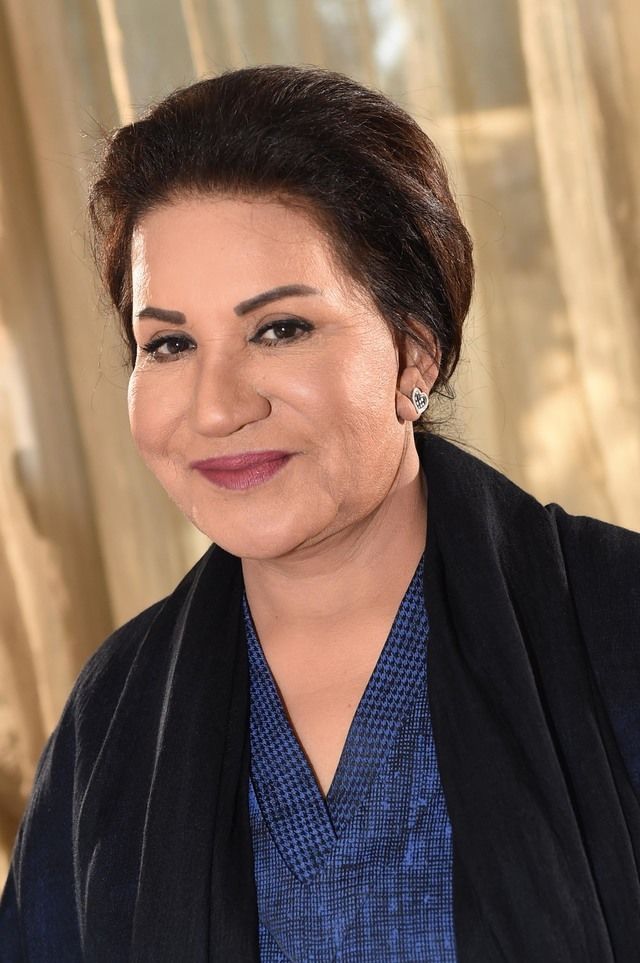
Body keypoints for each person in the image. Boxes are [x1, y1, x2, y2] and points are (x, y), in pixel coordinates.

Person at [1, 64, 639, 963]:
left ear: (415, 350)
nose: (217, 408)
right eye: (170, 343)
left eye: (280, 329)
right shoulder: (113, 717)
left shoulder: (616, 620)